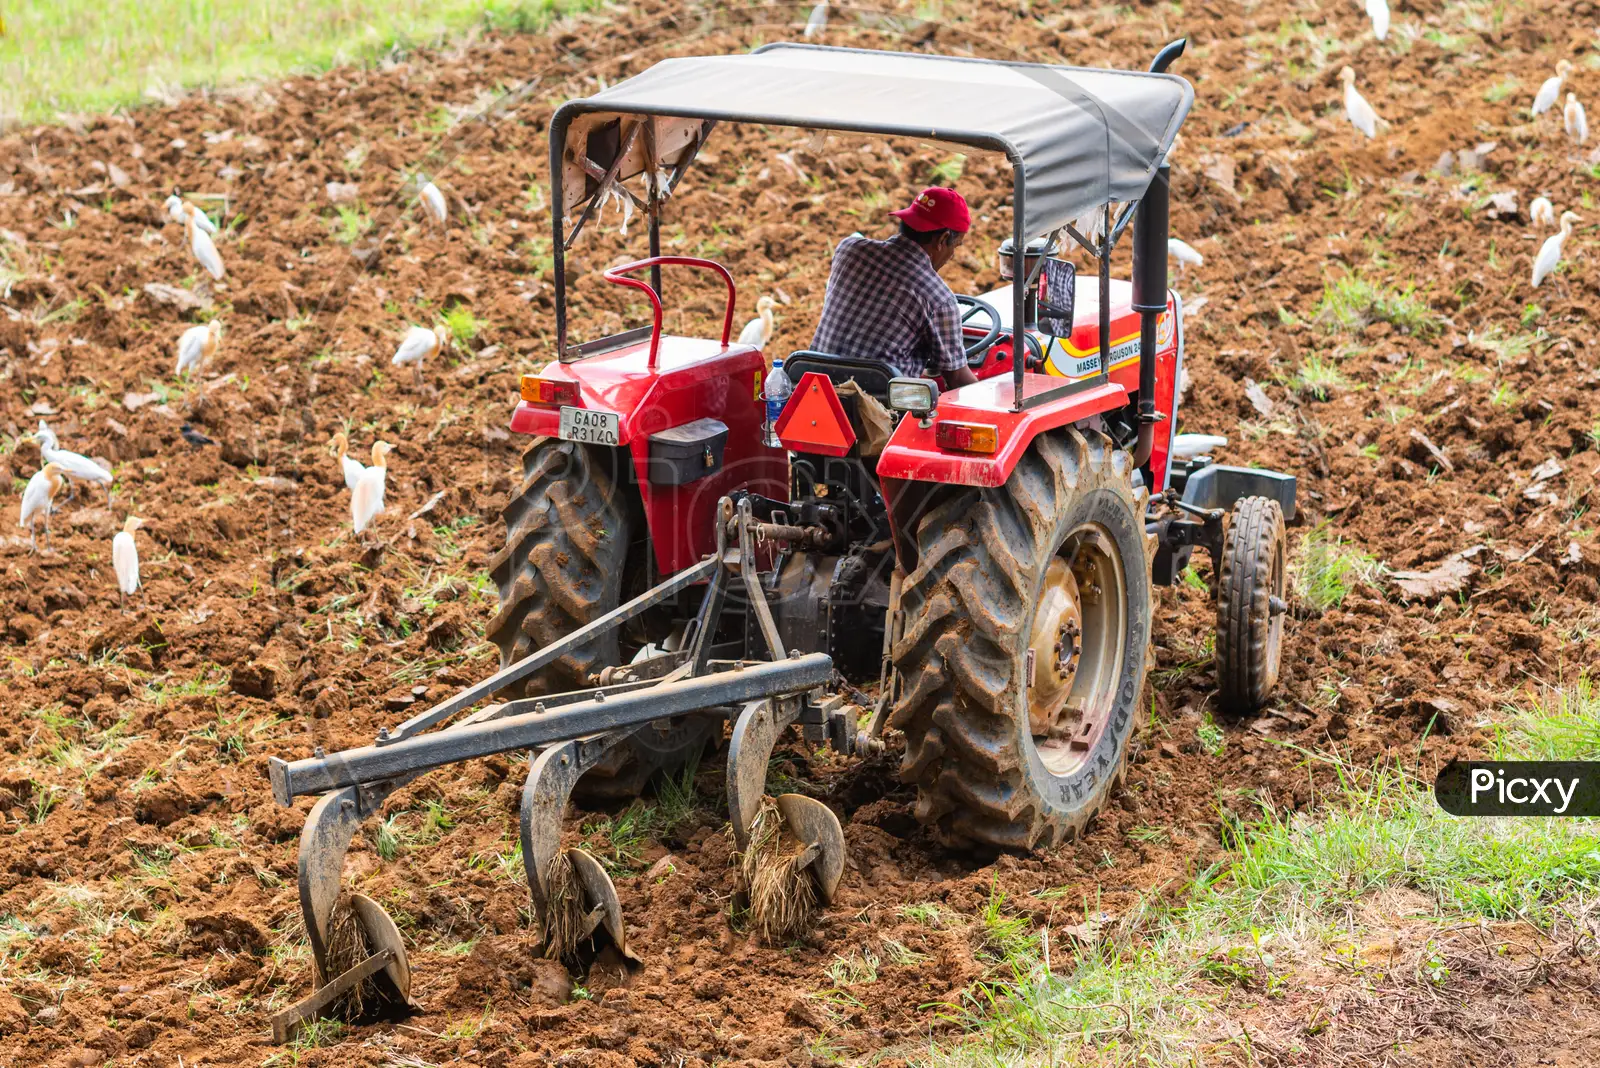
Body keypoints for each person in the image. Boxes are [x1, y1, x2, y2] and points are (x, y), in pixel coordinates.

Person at [810, 186, 980, 389]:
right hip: (875, 411)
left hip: (815, 390)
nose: (952, 256)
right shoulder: (938, 299)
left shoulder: (848, 250)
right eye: (956, 245)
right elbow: (958, 380)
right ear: (943, 240)